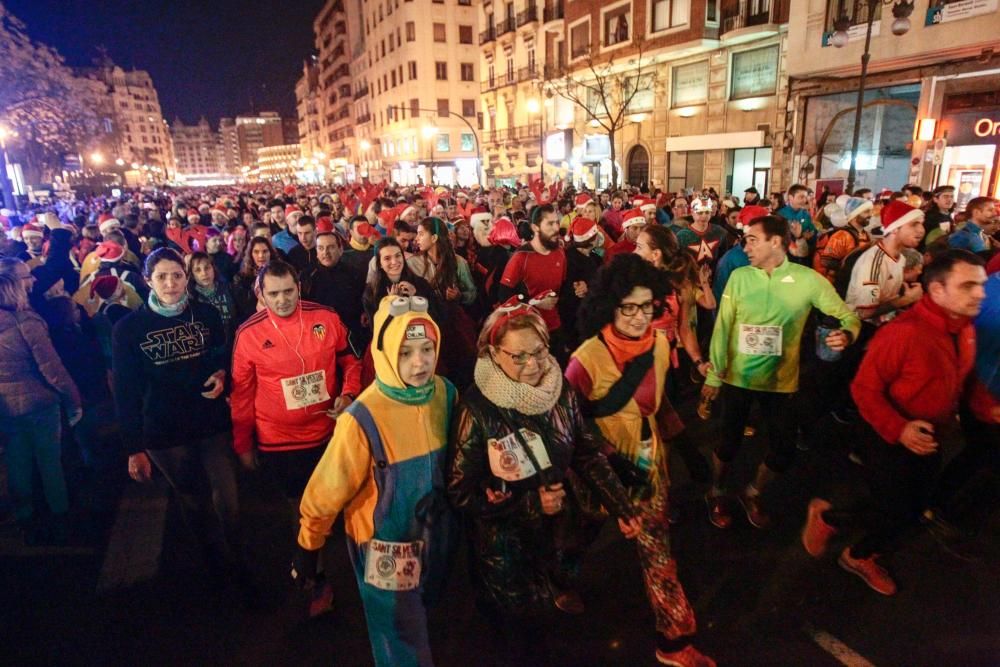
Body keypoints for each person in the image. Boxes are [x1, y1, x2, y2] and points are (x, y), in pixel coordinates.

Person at [448, 298, 639, 664]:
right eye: (517, 356)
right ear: (493, 352)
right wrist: (530, 503)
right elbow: (460, 492)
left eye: (538, 352)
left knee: (543, 624)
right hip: (503, 548)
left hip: (554, 531)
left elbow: (585, 451)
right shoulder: (477, 409)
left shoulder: (559, 390)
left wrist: (621, 505)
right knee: (521, 635)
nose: (532, 365)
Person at [802, 250, 987, 596]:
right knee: (896, 508)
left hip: (929, 435)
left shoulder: (964, 329)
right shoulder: (903, 333)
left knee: (913, 506)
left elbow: (957, 378)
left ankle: (846, 532)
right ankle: (849, 544)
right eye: (967, 286)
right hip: (885, 432)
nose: (979, 294)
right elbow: (863, 388)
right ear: (936, 289)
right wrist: (899, 428)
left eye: (980, 285)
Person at [565, 255, 715, 667]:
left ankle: (673, 641)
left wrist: (687, 450)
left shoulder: (662, 344)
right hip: (598, 473)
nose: (636, 316)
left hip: (648, 468)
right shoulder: (585, 359)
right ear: (609, 305)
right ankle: (562, 576)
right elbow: (568, 424)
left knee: (658, 555)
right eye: (627, 307)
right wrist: (607, 462)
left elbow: (658, 403)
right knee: (584, 527)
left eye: (645, 306)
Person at [293, 295, 457, 667]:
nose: (419, 363)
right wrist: (309, 544)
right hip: (386, 544)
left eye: (427, 349)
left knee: (424, 608)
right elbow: (327, 488)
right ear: (383, 352)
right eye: (405, 352)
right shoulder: (362, 417)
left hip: (436, 534)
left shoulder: (446, 393)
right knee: (399, 632)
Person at [701, 216, 860, 529]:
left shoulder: (808, 280)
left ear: (776, 242)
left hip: (781, 383)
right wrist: (712, 376)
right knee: (727, 444)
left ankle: (753, 492)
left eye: (752, 240)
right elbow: (723, 328)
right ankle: (716, 490)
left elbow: (847, 316)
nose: (745, 246)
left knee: (784, 450)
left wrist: (848, 335)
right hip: (738, 378)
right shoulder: (740, 277)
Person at [112, 248, 242, 577]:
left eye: (177, 275)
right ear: (147, 281)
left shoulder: (206, 315)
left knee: (227, 496)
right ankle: (214, 562)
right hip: (163, 428)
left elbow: (222, 356)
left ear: (186, 277)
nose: (170, 283)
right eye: (162, 276)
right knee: (192, 498)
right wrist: (133, 447)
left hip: (209, 419)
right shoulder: (129, 329)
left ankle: (238, 556)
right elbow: (125, 390)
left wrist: (222, 375)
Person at [230, 259, 361, 497]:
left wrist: (349, 394)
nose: (282, 300)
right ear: (261, 294)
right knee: (296, 504)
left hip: (327, 432)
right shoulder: (248, 334)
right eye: (274, 293)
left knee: (334, 499)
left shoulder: (326, 318)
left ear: (299, 287)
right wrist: (243, 445)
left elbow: (351, 361)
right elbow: (242, 395)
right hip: (277, 440)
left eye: (288, 291)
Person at [0, 263, 82, 544]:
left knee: (17, 460)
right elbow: (52, 368)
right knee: (49, 461)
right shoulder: (26, 323)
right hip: (39, 402)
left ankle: (25, 515)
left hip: (6, 408)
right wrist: (73, 399)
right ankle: (61, 514)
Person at [498, 204, 568, 359]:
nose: (556, 228)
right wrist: (534, 303)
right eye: (550, 224)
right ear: (535, 227)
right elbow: (503, 296)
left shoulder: (560, 253)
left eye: (557, 222)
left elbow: (563, 288)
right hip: (529, 330)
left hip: (555, 328)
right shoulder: (521, 257)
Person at [303, 229, 369, 348]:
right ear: (316, 251)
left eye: (331, 247)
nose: (325, 253)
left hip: (351, 332)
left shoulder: (354, 273)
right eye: (321, 248)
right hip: (320, 334)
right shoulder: (307, 276)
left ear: (340, 249)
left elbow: (363, 301)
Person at [187, 251, 237, 345]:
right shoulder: (191, 297)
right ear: (192, 275)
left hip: (232, 342)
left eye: (207, 268)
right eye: (198, 270)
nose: (204, 273)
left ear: (213, 268)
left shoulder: (229, 288)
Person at [232, 236, 274, 324]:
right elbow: (244, 306)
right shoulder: (240, 278)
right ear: (250, 254)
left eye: (265, 251)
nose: (261, 255)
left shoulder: (280, 273)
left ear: (270, 253)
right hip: (252, 321)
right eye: (256, 252)